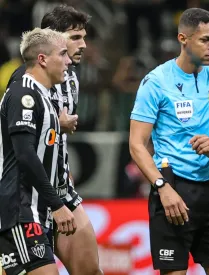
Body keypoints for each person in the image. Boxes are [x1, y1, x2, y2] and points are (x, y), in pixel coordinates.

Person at [129, 8, 209, 275]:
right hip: (173, 189)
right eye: (205, 40)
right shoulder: (156, 82)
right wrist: (162, 187)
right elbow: (136, 144)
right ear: (184, 39)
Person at [6, 5, 102, 275]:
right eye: (74, 38)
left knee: (90, 271)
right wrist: (56, 123)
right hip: (28, 194)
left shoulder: (70, 77)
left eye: (84, 37)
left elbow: (52, 141)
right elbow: (17, 140)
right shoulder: (23, 82)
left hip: (61, 188)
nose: (83, 45)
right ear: (51, 40)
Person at [0, 27, 76, 275]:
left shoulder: (45, 96)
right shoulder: (24, 94)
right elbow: (25, 156)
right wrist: (57, 204)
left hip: (37, 210)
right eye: (62, 54)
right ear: (42, 59)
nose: (68, 61)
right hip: (21, 210)